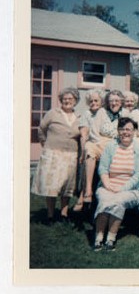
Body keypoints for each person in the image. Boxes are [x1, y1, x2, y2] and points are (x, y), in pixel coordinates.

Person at [93, 117, 139, 251]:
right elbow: (103, 168)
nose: (125, 132)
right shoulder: (111, 146)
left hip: (131, 189)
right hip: (107, 185)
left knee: (118, 200)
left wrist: (122, 188)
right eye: (121, 129)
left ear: (134, 131)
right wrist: (107, 185)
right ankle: (99, 238)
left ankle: (111, 238)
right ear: (117, 131)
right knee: (105, 199)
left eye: (128, 129)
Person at [31, 87, 81, 224]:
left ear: (75, 101)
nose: (67, 101)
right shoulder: (52, 113)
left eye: (70, 99)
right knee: (51, 185)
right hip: (52, 153)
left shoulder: (79, 116)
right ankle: (50, 215)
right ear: (60, 100)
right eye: (64, 99)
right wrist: (45, 143)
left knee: (67, 186)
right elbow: (41, 129)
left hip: (71, 155)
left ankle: (64, 214)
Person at [73, 88, 112, 212]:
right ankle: (88, 191)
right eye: (91, 101)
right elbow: (84, 134)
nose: (94, 103)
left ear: (101, 102)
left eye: (96, 100)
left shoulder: (103, 112)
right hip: (93, 143)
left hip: (105, 142)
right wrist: (82, 152)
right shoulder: (86, 114)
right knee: (89, 152)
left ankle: (84, 196)